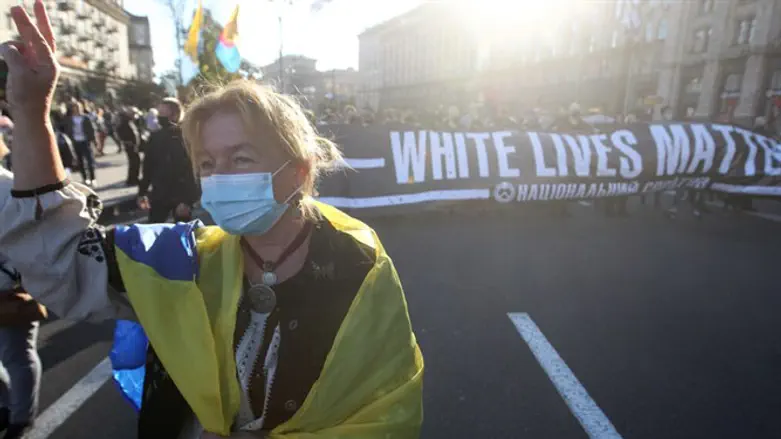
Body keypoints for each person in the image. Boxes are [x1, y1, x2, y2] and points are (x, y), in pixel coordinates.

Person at [0, 4, 423, 439]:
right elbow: (62, 258)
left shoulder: (360, 266)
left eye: (241, 158)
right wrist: (32, 113)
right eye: (206, 164)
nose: (219, 177)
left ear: (298, 170)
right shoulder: (178, 260)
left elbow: (388, 411)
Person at [0, 153, 43, 439]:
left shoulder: (8, 186)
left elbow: (34, 234)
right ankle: (6, 406)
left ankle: (21, 418)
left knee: (18, 355)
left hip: (9, 287)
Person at [137, 97, 200, 223]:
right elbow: (148, 166)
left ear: (175, 114)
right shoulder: (155, 137)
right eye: (159, 113)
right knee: (153, 230)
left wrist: (188, 200)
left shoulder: (187, 136)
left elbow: (195, 169)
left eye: (163, 113)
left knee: (182, 234)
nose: (160, 116)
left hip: (181, 195)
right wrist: (142, 192)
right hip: (159, 194)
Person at [62, 101, 97, 186]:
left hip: (86, 141)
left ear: (81, 108)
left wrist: (94, 141)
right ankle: (85, 179)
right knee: (80, 161)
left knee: (90, 161)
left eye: (78, 107)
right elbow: (66, 130)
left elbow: (92, 129)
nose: (77, 109)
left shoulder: (85, 118)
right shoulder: (69, 119)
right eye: (75, 107)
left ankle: (93, 178)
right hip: (75, 142)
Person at [116, 108, 142, 186]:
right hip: (130, 145)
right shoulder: (125, 122)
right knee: (134, 162)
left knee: (136, 162)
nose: (135, 116)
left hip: (133, 145)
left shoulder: (130, 121)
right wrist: (126, 141)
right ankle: (132, 179)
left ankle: (134, 178)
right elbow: (119, 131)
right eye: (134, 114)